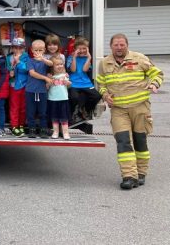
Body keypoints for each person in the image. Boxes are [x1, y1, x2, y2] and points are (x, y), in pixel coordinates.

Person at [96, 33, 163, 190]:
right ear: (111, 46)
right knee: (123, 141)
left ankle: (141, 173)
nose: (119, 48)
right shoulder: (104, 63)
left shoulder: (139, 58)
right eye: (116, 45)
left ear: (127, 45)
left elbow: (157, 73)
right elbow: (101, 83)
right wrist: (105, 95)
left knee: (140, 140)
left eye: (122, 45)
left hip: (140, 107)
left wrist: (154, 84)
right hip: (119, 110)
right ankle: (129, 176)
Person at [66, 36, 101, 121]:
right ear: (75, 49)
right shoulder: (71, 58)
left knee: (97, 96)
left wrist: (89, 58)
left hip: (86, 83)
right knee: (74, 98)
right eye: (79, 49)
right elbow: (73, 70)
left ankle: (85, 110)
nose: (82, 51)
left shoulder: (87, 58)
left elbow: (85, 70)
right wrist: (74, 57)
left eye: (84, 48)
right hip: (74, 83)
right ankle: (74, 113)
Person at [26, 39, 54, 138]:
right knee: (31, 111)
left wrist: (43, 59)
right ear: (32, 50)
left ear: (44, 50)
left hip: (42, 90)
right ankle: (32, 130)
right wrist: (45, 78)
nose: (38, 52)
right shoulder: (29, 60)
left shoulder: (45, 60)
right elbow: (32, 73)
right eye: (36, 50)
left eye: (40, 50)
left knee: (42, 112)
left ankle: (43, 130)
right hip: (30, 90)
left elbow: (51, 64)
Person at [7, 38, 28, 137]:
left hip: (24, 85)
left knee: (23, 107)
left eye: (20, 48)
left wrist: (18, 62)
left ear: (24, 48)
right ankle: (14, 126)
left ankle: (21, 125)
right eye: (15, 47)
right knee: (14, 107)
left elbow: (26, 70)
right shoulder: (9, 58)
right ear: (12, 48)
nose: (18, 50)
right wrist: (10, 71)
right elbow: (7, 70)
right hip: (13, 85)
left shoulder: (26, 57)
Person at [48, 57, 72, 140]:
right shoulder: (51, 76)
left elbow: (69, 85)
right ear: (52, 66)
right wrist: (49, 81)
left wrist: (68, 82)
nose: (60, 66)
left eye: (61, 64)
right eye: (57, 64)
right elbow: (47, 87)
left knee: (64, 117)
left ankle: (65, 132)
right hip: (53, 99)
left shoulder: (65, 75)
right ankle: (55, 132)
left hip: (63, 99)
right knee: (54, 117)